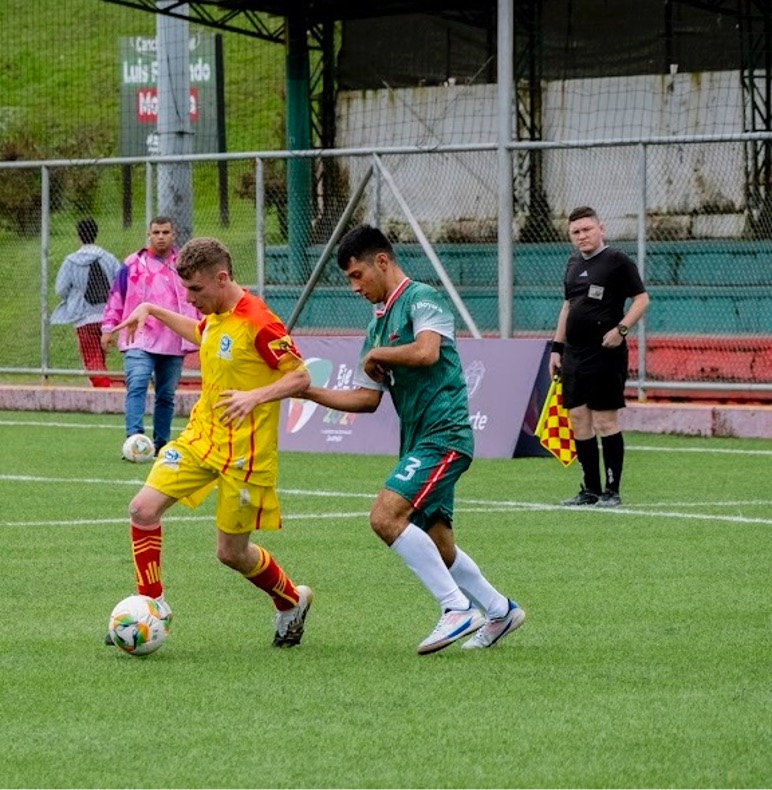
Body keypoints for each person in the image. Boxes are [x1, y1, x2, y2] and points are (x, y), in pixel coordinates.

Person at [299, 224, 524, 654]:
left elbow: (427, 352)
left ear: (381, 262)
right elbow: (367, 400)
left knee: (385, 516)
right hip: (419, 440)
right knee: (440, 544)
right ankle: (499, 610)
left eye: (356, 275)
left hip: (445, 433)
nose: (353, 287)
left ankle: (455, 610)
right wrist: (306, 390)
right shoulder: (377, 327)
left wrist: (376, 355)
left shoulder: (423, 298)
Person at [104, 236, 313, 649]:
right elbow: (202, 334)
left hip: (245, 455)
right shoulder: (216, 313)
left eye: (195, 290)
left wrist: (256, 396)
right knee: (142, 509)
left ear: (222, 278)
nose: (190, 298)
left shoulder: (260, 320)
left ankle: (291, 600)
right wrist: (152, 309)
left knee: (231, 554)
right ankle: (152, 604)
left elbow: (300, 376)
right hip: (201, 437)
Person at [549, 206, 650, 508]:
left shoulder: (617, 261)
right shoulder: (572, 263)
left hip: (605, 353)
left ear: (601, 228)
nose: (582, 236)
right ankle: (589, 490)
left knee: (605, 420)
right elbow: (568, 307)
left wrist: (620, 329)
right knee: (578, 418)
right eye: (576, 232)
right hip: (575, 355)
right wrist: (557, 348)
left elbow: (642, 300)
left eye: (587, 230)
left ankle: (612, 490)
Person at [101, 216, 199, 455]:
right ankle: (134, 441)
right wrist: (108, 327)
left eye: (166, 232)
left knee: (166, 395)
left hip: (173, 339)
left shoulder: (183, 266)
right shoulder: (133, 264)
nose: (161, 237)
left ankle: (161, 444)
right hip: (139, 337)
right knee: (137, 383)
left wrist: (201, 328)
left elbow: (197, 299)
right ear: (149, 235)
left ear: (174, 234)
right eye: (156, 232)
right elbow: (117, 296)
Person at [50, 218, 121, 387]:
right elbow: (120, 283)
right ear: (96, 234)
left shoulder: (70, 261)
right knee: (100, 356)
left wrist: (74, 295)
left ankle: (105, 391)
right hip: (106, 316)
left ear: (78, 236)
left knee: (91, 357)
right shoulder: (109, 258)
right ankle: (104, 387)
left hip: (83, 317)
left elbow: (61, 289)